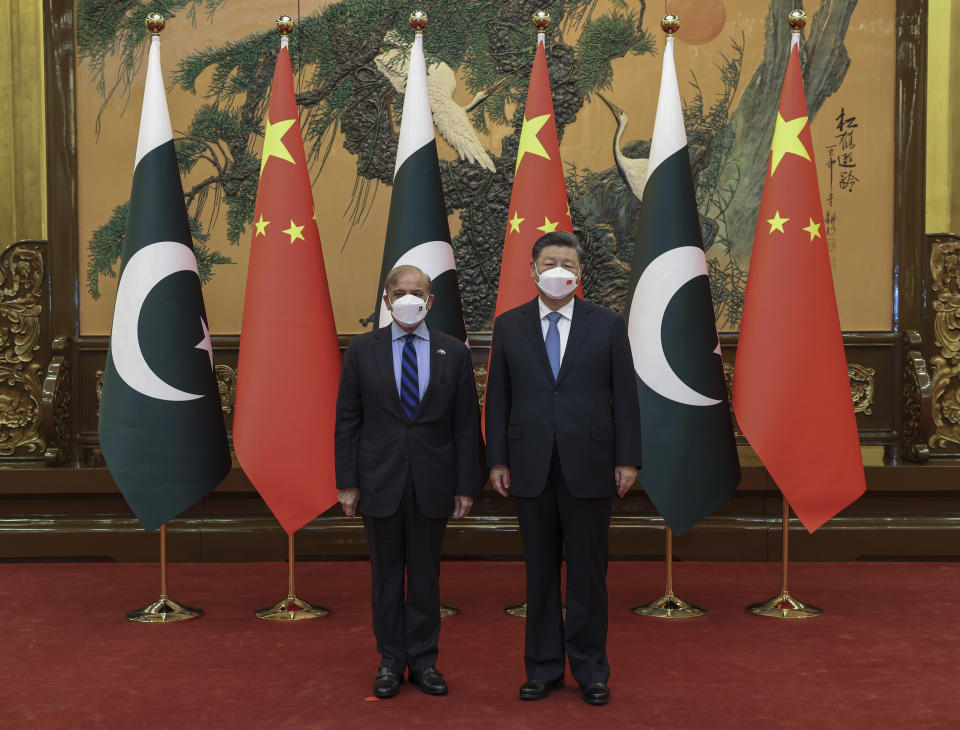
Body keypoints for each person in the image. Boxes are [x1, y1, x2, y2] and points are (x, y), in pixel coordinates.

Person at [485, 230, 642, 706]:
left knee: (589, 575)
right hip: (529, 465)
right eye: (549, 262)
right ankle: (543, 669)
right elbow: (499, 397)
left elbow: (625, 398)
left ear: (580, 274)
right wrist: (497, 459)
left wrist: (628, 458)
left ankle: (591, 670)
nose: (558, 271)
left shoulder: (608, 324)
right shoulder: (509, 326)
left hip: (592, 465)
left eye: (567, 264)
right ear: (532, 272)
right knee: (540, 574)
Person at [335, 264, 479, 699]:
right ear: (386, 300)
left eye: (417, 292)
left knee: (426, 578)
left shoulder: (453, 351)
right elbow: (347, 420)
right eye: (399, 292)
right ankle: (390, 663)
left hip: (434, 482)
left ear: (430, 301)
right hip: (379, 481)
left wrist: (465, 485)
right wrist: (347, 483)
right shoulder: (362, 350)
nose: (408, 299)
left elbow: (466, 425)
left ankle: (425, 662)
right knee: (386, 579)